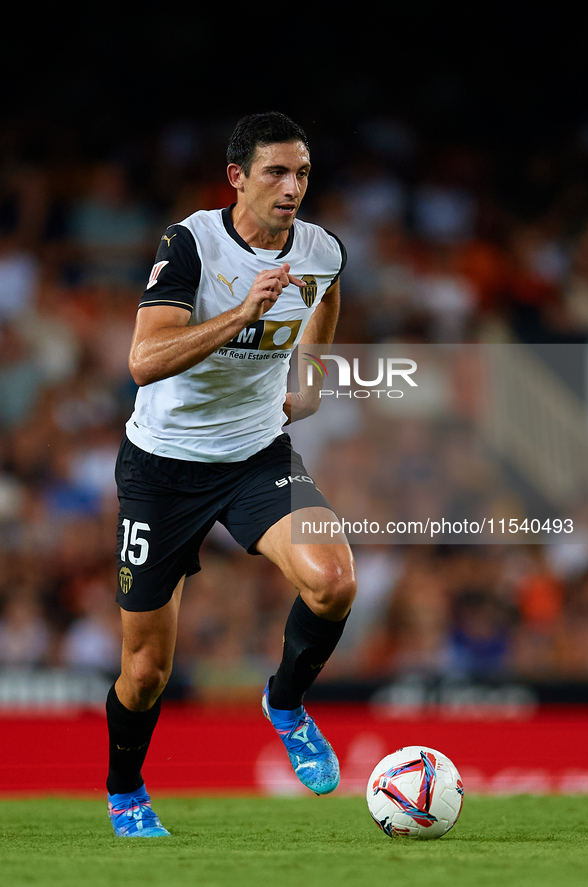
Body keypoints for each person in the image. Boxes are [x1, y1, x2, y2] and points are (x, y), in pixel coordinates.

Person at [106, 111, 357, 837]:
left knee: (333, 581)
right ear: (237, 177)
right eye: (276, 172)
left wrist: (308, 378)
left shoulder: (319, 249)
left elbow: (327, 291)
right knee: (146, 671)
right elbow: (143, 362)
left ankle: (284, 703)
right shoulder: (191, 243)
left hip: (254, 454)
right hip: (162, 468)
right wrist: (243, 310)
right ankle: (126, 792)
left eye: (302, 173)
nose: (292, 187)